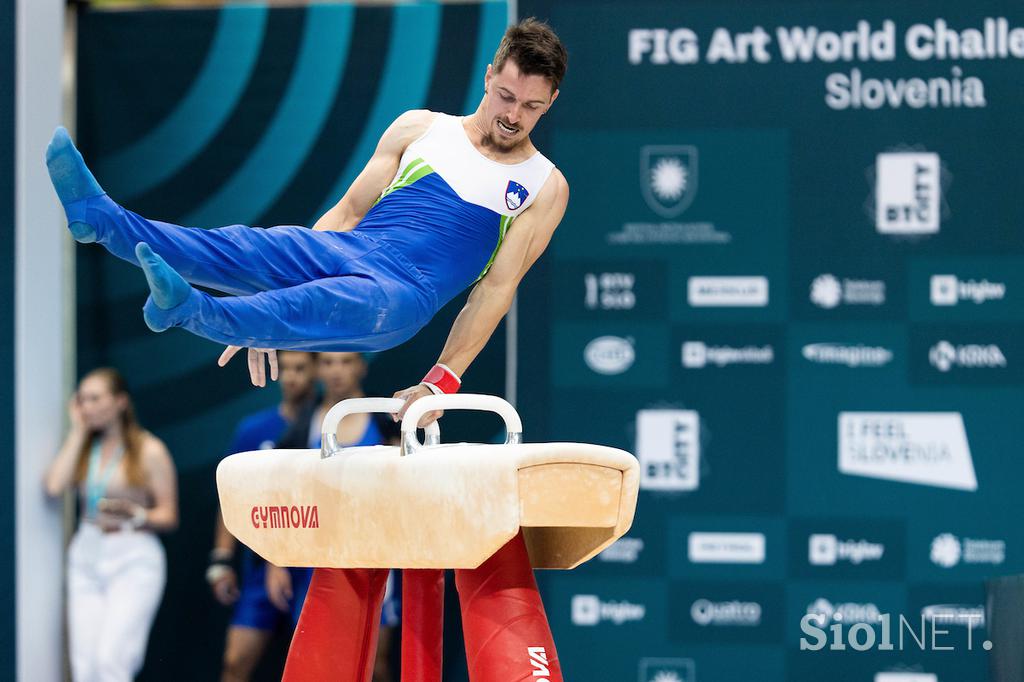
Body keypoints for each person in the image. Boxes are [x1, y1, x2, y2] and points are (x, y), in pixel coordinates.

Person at [44, 18, 569, 424]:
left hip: (404, 294)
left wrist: (439, 383)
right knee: (243, 249)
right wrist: (277, 323)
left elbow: (495, 292)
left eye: (531, 107)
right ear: (488, 75)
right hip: (349, 249)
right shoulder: (420, 128)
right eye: (506, 96)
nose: (513, 115)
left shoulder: (544, 185)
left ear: (550, 103)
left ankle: (188, 309)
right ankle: (103, 219)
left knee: (303, 305)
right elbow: (347, 213)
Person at [265, 352, 402, 682]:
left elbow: (405, 488)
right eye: (328, 362)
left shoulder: (384, 420)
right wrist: (275, 560)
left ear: (361, 366)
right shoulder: (303, 425)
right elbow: (284, 493)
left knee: (376, 663)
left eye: (345, 362)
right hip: (316, 555)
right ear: (318, 369)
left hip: (376, 552)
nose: (337, 370)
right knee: (316, 658)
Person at [44, 367, 179, 682]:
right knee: (84, 667)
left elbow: (170, 515)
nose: (87, 407)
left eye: (95, 399)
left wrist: (137, 514)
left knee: (112, 662)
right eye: (82, 400)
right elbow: (53, 486)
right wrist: (77, 431)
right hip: (88, 549)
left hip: (132, 553)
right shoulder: (83, 448)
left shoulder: (149, 449)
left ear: (120, 402)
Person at [206, 351, 316, 682]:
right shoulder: (254, 430)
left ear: (316, 371)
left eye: (301, 368)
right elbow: (231, 498)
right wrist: (221, 559)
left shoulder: (331, 428)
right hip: (261, 562)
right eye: (287, 369)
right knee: (235, 661)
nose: (293, 377)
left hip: (315, 563)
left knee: (316, 666)